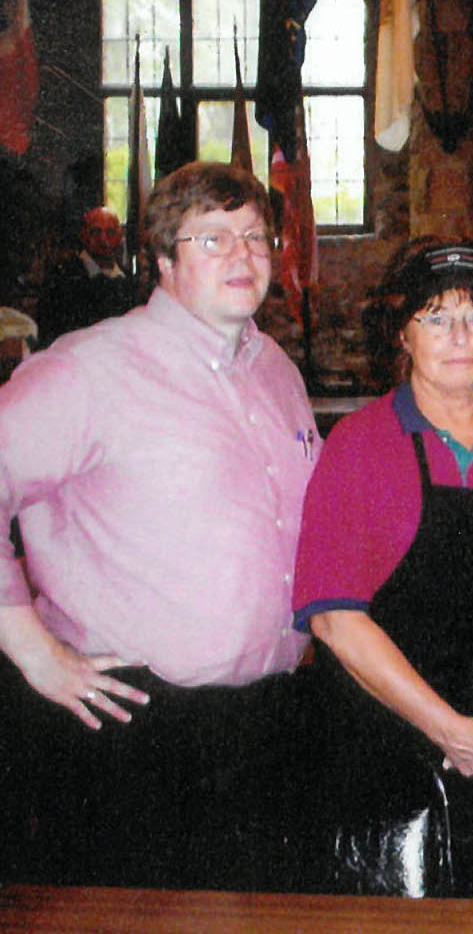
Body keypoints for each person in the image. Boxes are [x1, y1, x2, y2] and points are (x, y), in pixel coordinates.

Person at [0, 162, 318, 888]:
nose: (242, 255)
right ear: (164, 260)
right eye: (213, 239)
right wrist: (31, 651)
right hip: (137, 731)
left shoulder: (275, 368)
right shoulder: (90, 369)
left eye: (255, 237)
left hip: (268, 721)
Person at [290, 239, 473, 899]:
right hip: (393, 760)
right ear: (403, 334)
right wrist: (451, 731)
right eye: (436, 318)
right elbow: (334, 618)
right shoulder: (360, 445)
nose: (459, 336)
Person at [35, 206, 148, 345]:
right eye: (96, 232)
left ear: (120, 238)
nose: (103, 239)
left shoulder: (128, 281)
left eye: (110, 232)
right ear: (83, 235)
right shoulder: (63, 277)